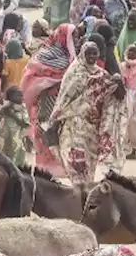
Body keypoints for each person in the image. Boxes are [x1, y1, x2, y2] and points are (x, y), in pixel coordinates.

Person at [48, 41, 126, 186]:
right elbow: (63, 100)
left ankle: (83, 197)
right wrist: (54, 124)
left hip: (92, 130)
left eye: (94, 53)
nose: (91, 56)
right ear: (82, 53)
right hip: (72, 127)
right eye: (88, 53)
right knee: (75, 164)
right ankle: (79, 193)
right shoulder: (73, 73)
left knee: (88, 169)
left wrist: (118, 82)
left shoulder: (102, 74)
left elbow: (118, 97)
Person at [21, 23, 79, 177]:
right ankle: (46, 168)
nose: (77, 39)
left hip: (64, 102)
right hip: (47, 101)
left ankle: (61, 168)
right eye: (73, 36)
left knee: (62, 134)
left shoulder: (70, 55)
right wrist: (51, 82)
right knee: (45, 130)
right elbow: (31, 76)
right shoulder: (45, 54)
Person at [0, 86, 31, 165]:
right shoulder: (4, 107)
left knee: (17, 161)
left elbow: (25, 125)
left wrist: (12, 115)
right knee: (4, 159)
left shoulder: (23, 108)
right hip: (5, 140)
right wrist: (1, 111)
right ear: (10, 97)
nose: (21, 97)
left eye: (21, 95)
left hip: (18, 141)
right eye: (18, 95)